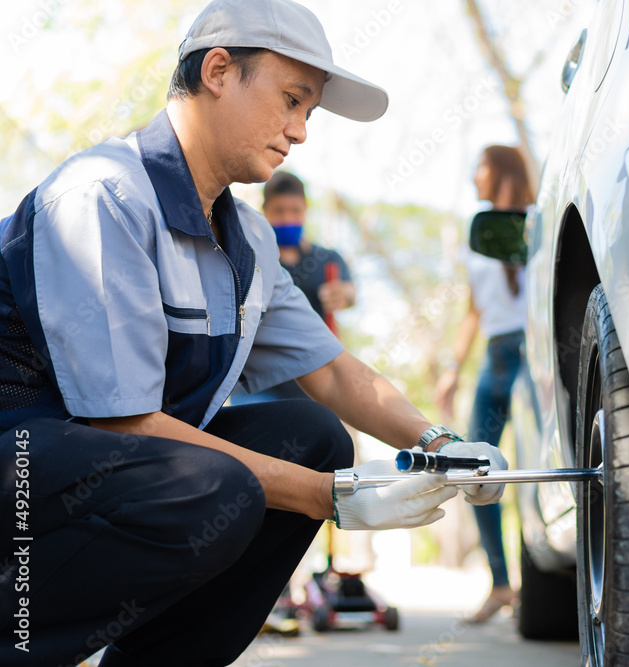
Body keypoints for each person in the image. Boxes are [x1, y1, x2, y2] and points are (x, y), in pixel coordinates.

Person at [0, 1, 506, 665]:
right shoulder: (104, 196)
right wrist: (334, 499)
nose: (299, 131)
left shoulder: (248, 242)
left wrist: (444, 445)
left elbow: (328, 373)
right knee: (225, 483)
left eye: (309, 113)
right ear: (218, 71)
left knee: (313, 435)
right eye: (291, 100)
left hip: (113, 478)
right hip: (24, 474)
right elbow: (124, 424)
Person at [435, 145, 534, 623]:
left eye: (481, 167)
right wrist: (452, 368)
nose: (475, 175)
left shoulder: (539, 220)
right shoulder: (475, 236)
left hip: (534, 353)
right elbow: (474, 310)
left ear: (500, 172)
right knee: (478, 467)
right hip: (496, 357)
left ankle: (542, 582)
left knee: (536, 468)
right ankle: (500, 583)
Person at [230, 171, 354, 403]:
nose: (288, 219)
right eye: (279, 211)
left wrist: (343, 295)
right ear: (265, 211)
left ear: (305, 210)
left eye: (295, 210)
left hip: (316, 384)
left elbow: (350, 292)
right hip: (257, 386)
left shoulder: (328, 260)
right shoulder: (250, 257)